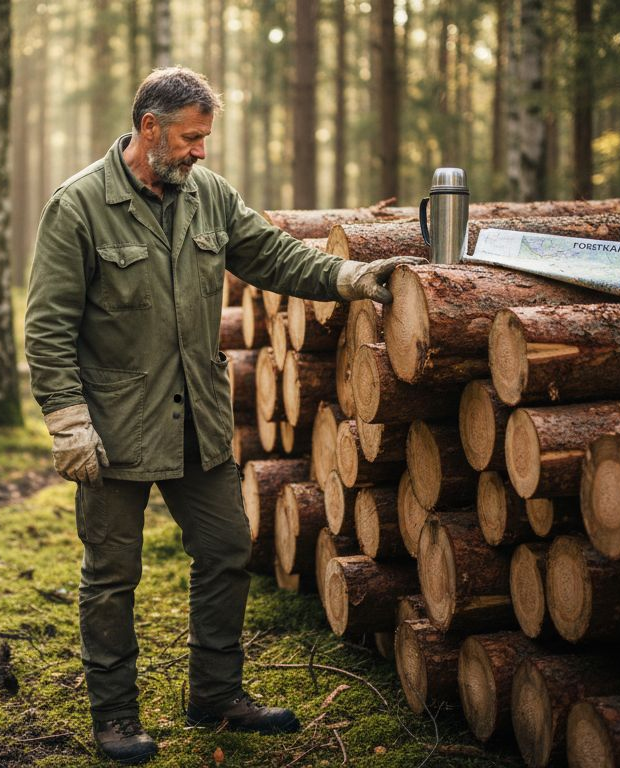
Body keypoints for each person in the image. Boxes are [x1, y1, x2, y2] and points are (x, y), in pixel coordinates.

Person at [25, 67, 415, 765]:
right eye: (192, 138)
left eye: (206, 138)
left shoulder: (209, 196)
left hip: (195, 420)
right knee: (112, 575)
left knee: (227, 548)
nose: (202, 151)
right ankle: (114, 716)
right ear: (150, 129)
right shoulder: (79, 206)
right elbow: (48, 328)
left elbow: (272, 254)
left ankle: (215, 696)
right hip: (111, 430)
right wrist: (66, 420)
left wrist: (349, 278)